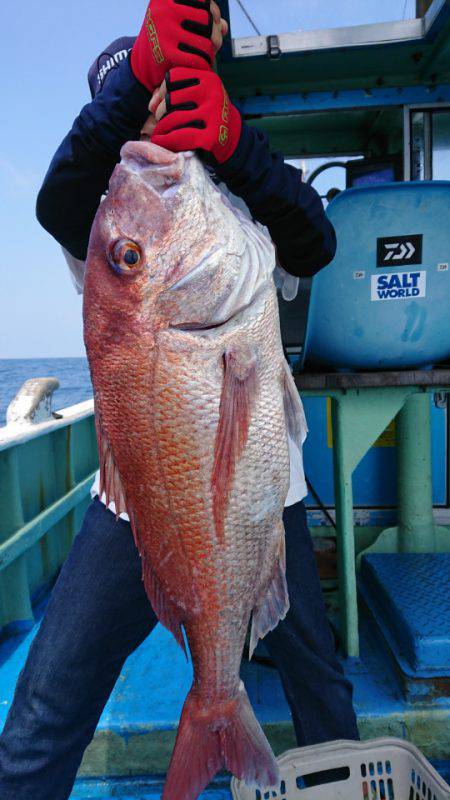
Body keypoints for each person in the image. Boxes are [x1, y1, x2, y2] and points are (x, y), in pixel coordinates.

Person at [0, 2, 358, 798]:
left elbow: (315, 240)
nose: (160, 108)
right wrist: (136, 78)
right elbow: (59, 193)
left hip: (263, 498)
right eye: (139, 94)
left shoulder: (232, 202)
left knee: (320, 680)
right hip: (136, 503)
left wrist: (235, 142)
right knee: (46, 705)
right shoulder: (108, 208)